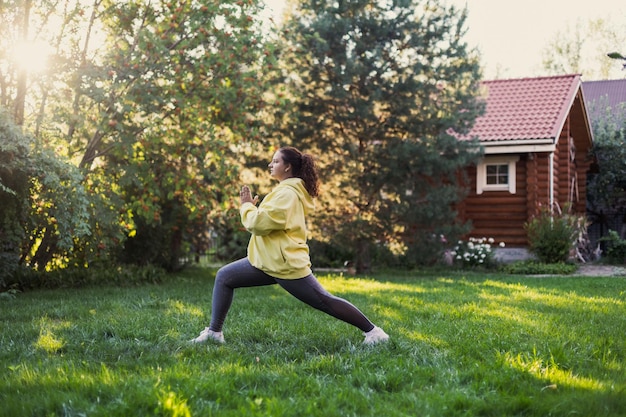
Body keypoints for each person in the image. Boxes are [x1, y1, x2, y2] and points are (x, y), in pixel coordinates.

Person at [191, 146, 389, 345]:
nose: (271, 164)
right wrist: (253, 208)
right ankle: (214, 333)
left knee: (324, 301)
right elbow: (272, 221)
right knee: (225, 276)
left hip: (284, 264)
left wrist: (246, 206)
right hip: (269, 260)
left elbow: (259, 224)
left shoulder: (287, 194)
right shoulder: (286, 191)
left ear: (287, 167)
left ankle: (374, 333)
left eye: (276, 161)